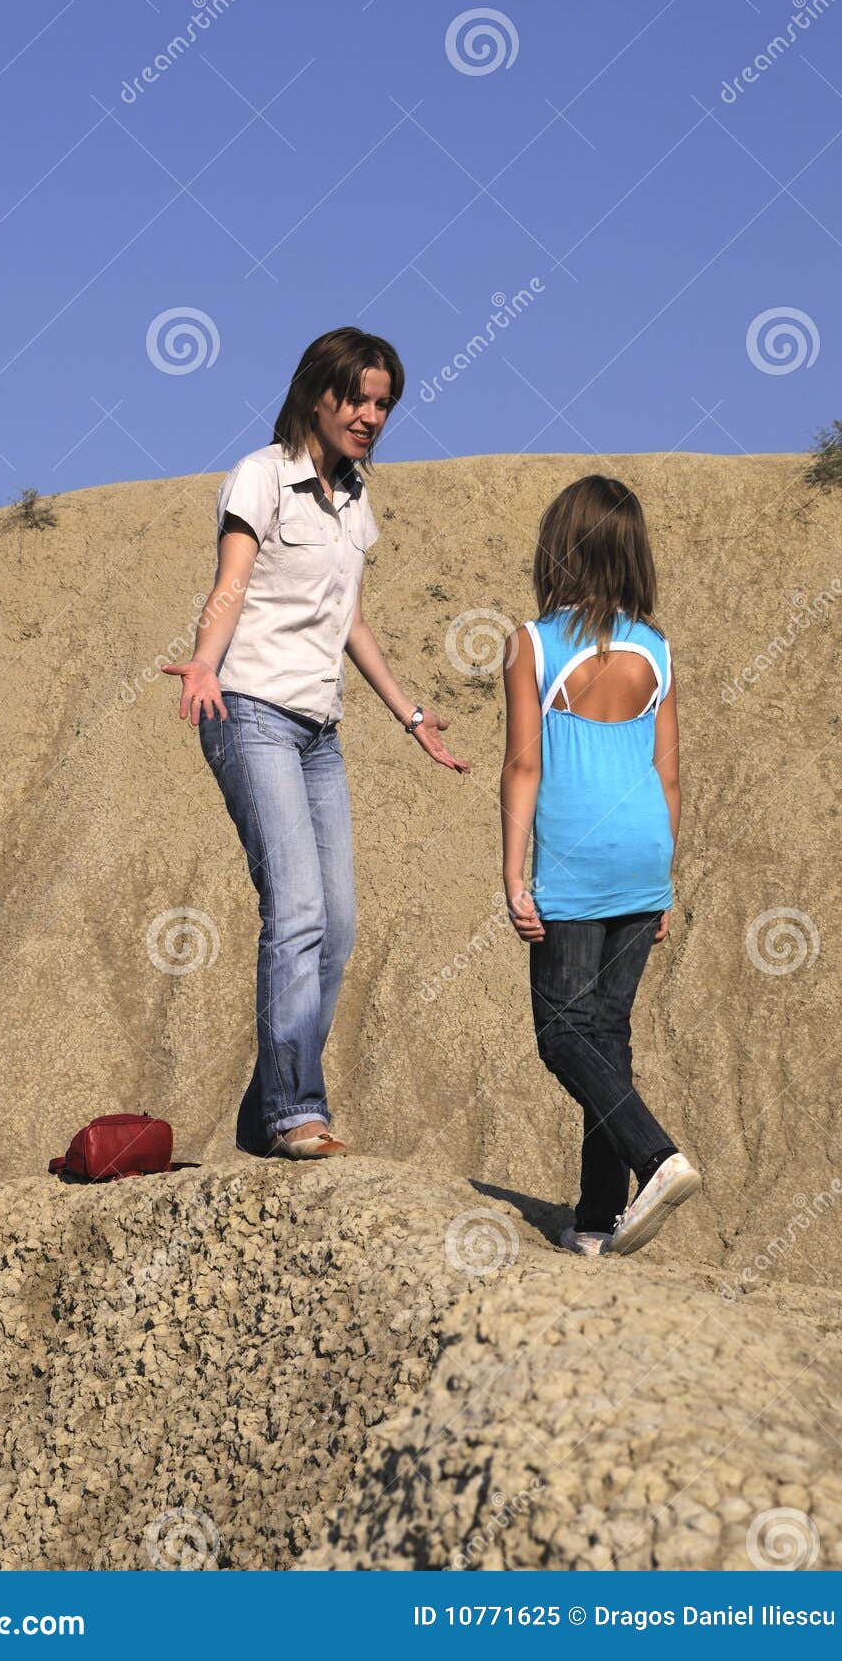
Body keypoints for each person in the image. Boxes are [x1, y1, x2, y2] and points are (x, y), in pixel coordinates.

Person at [166, 327, 469, 1160]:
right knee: (294, 910)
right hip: (249, 712)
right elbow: (230, 583)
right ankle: (296, 1109)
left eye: (383, 404)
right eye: (358, 399)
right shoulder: (261, 477)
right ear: (316, 394)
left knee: (338, 922)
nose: (370, 416)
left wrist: (411, 718)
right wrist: (202, 662)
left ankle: (267, 1103)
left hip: (318, 732)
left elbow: (352, 624)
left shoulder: (355, 501)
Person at [501, 475, 701, 1257]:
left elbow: (523, 766)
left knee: (560, 1033)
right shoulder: (656, 650)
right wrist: (663, 879)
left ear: (561, 547)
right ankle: (594, 1220)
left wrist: (513, 875)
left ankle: (657, 1156)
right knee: (605, 1035)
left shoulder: (533, 641)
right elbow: (669, 773)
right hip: (644, 851)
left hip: (576, 861)